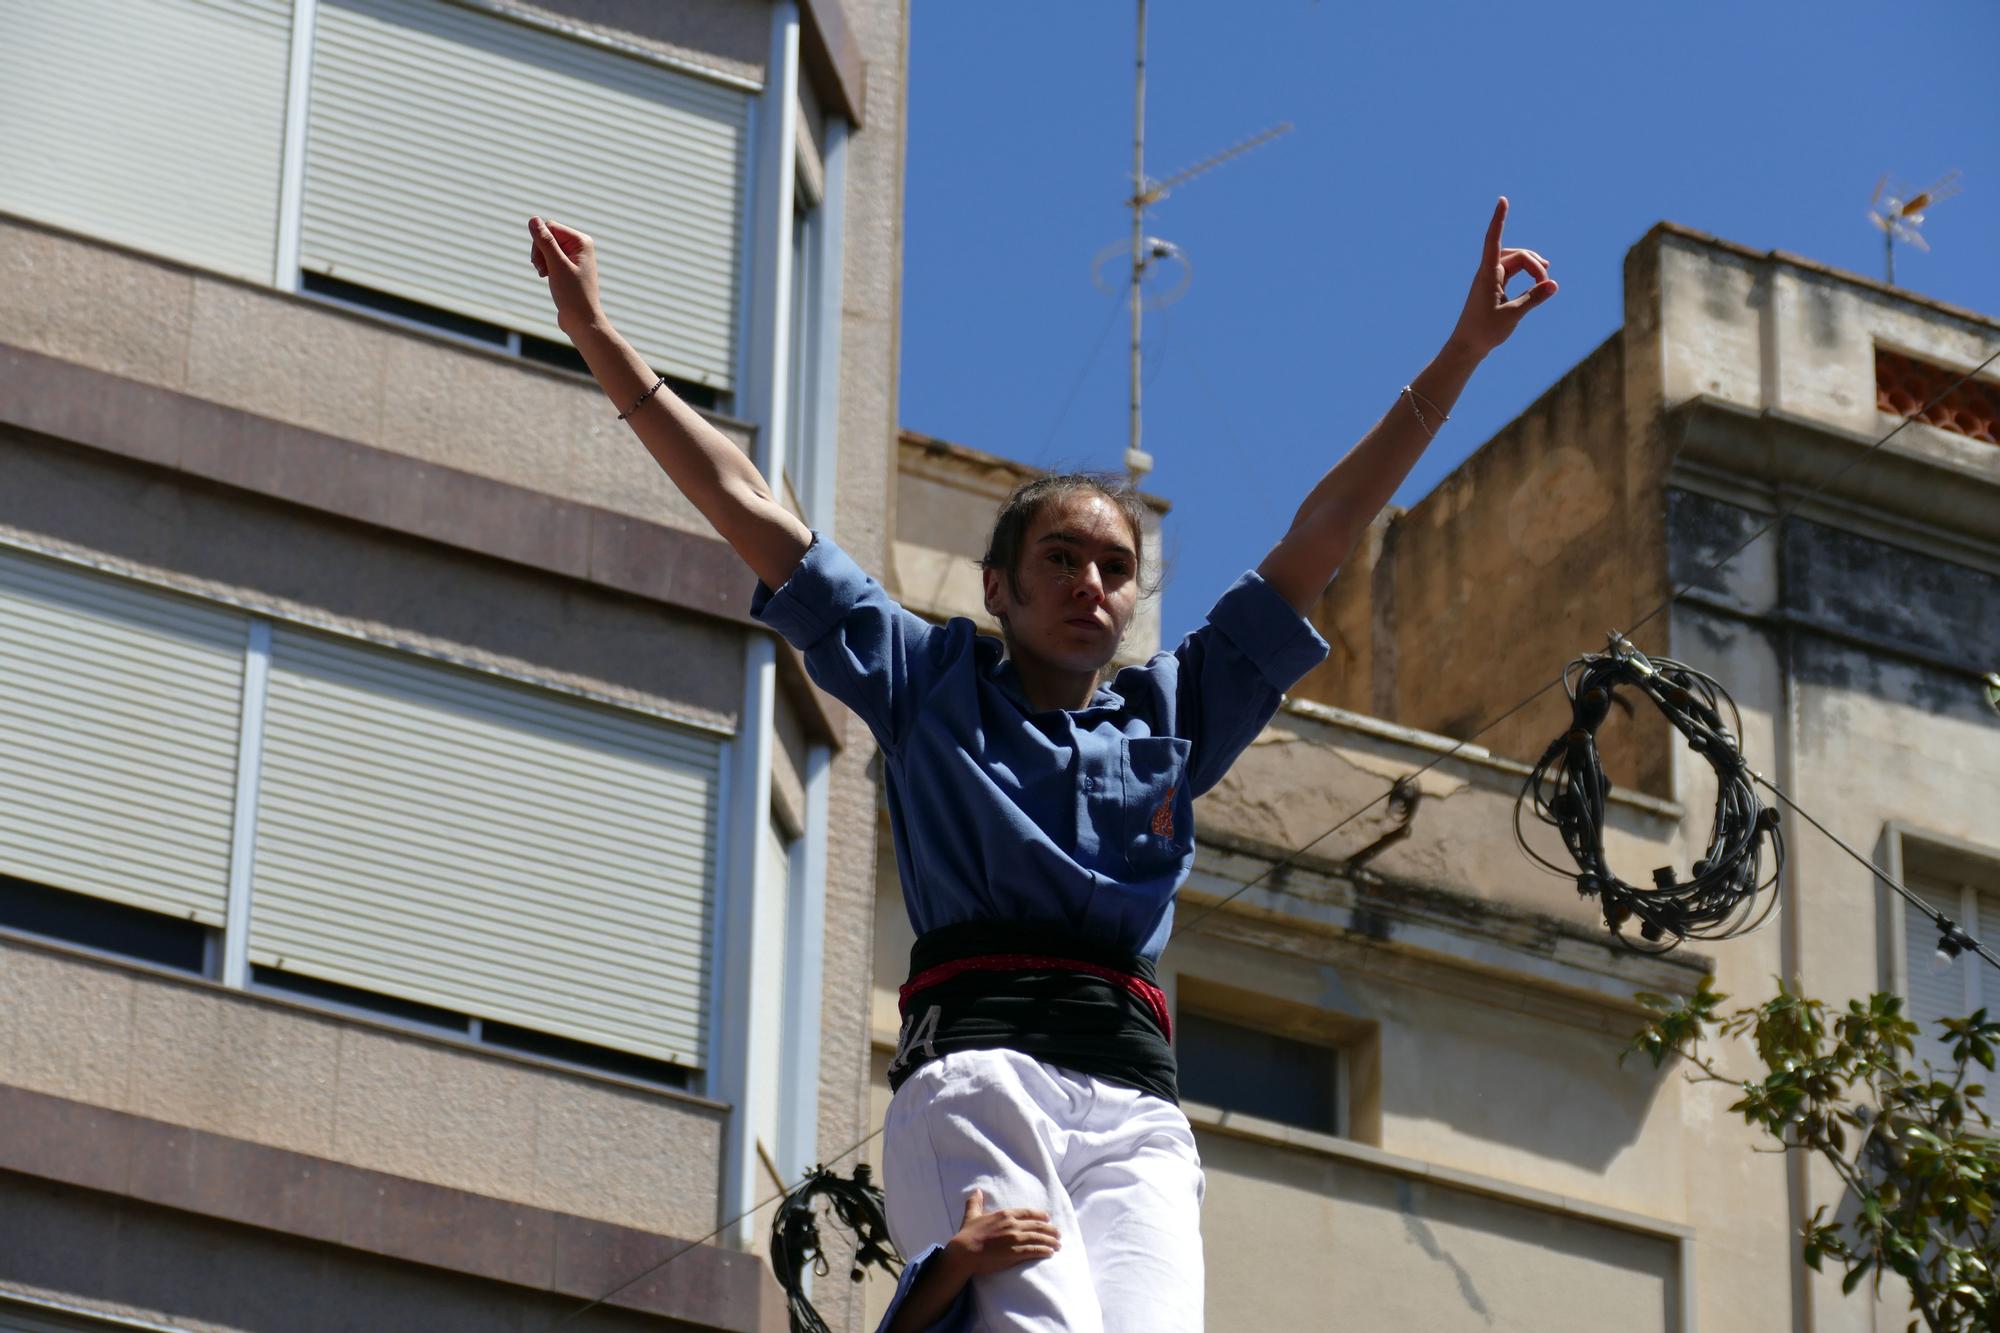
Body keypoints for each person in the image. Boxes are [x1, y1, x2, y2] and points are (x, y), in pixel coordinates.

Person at [527, 198, 1556, 1332]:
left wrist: (1458, 355)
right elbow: (744, 501)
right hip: (981, 1076)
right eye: (1057, 559)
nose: (1089, 584)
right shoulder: (926, 679)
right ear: (998, 590)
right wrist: (594, 333)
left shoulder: (1172, 712)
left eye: (1113, 567)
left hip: (1135, 1107)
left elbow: (1324, 531)